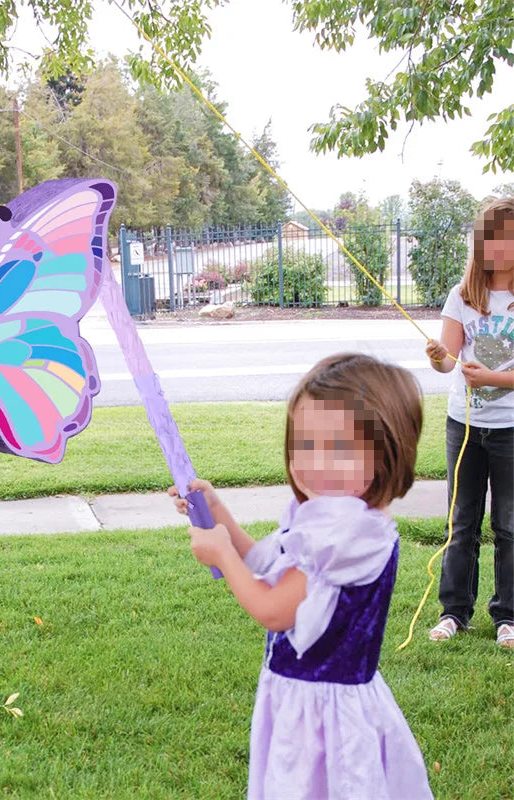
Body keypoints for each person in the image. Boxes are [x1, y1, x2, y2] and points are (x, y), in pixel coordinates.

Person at [170, 353, 433, 800]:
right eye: (305, 443)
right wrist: (221, 518)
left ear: (386, 452)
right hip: (307, 701)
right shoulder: (335, 518)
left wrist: (220, 555)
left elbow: (274, 611)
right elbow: (266, 565)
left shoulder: (344, 536)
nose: (316, 462)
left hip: (323, 721)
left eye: (340, 448)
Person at [425, 197, 514, 649]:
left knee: (509, 524)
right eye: (491, 237)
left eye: (507, 236)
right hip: (464, 425)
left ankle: (509, 617)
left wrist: (495, 377)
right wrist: (440, 358)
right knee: (461, 523)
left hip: (510, 429)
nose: (498, 246)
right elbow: (447, 362)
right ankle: (454, 612)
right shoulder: (462, 295)